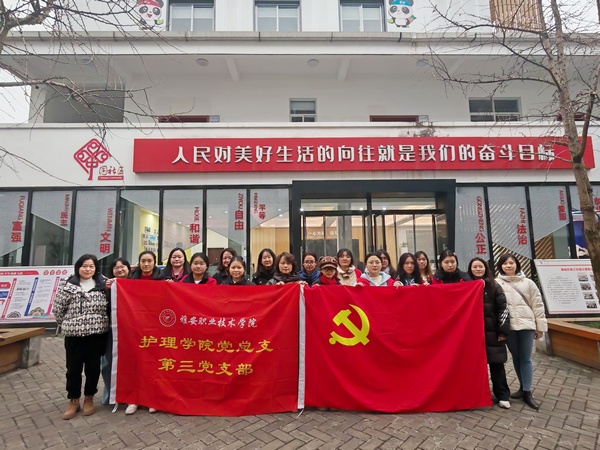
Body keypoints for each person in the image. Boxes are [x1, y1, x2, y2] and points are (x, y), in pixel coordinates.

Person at [52, 254, 109, 420]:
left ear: (96, 268)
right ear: (78, 267)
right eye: (84, 266)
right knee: (73, 369)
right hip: (74, 337)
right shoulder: (68, 285)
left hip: (96, 335)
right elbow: (58, 310)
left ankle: (89, 398)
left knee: (93, 368)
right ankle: (74, 400)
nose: (88, 269)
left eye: (91, 266)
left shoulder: (104, 285)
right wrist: (70, 325)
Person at [496, 254, 547, 411]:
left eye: (511, 263)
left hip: (526, 325)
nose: (508, 265)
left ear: (517, 265)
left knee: (526, 358)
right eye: (505, 263)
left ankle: (527, 392)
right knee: (516, 357)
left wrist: (540, 327)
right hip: (509, 327)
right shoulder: (497, 283)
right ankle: (522, 387)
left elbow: (537, 304)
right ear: (500, 266)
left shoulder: (528, 283)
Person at [468, 257, 512, 409]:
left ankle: (503, 395)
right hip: (473, 334)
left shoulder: (494, 286)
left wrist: (503, 331)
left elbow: (503, 309)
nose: (478, 269)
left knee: (496, 364)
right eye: (475, 267)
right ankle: (476, 394)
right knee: (473, 366)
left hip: (492, 332)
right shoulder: (467, 285)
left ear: (486, 268)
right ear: (470, 269)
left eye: (480, 266)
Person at [125, 251, 161, 415]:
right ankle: (134, 399)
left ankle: (152, 399)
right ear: (139, 263)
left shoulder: (161, 279)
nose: (146, 264)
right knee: (136, 363)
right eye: (143, 261)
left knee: (154, 364)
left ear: (155, 262)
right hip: (136, 328)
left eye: (149, 261)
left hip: (156, 327)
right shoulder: (131, 280)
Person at [101, 258, 131, 406]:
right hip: (111, 330)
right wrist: (106, 290)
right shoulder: (106, 286)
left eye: (123, 266)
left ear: (128, 268)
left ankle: (129, 394)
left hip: (131, 331)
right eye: (116, 267)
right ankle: (110, 394)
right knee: (108, 362)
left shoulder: (135, 284)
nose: (120, 270)